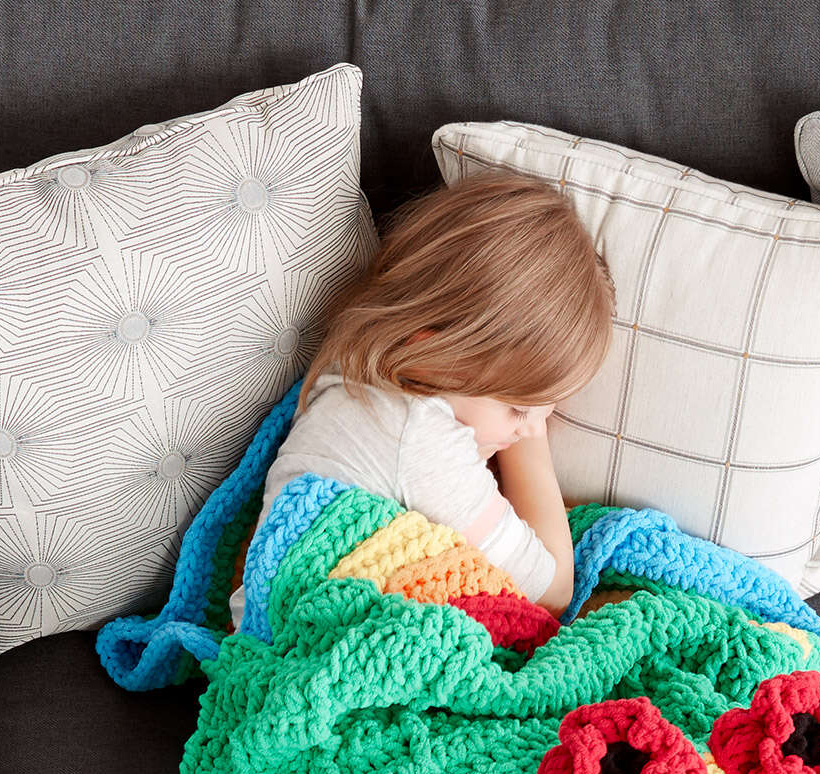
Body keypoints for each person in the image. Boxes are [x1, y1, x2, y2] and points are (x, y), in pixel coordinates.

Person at [230, 171, 614, 624]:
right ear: (436, 358)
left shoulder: (348, 369)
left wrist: (522, 405)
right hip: (311, 638)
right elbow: (551, 591)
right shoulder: (420, 437)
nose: (531, 427)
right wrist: (531, 446)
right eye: (519, 408)